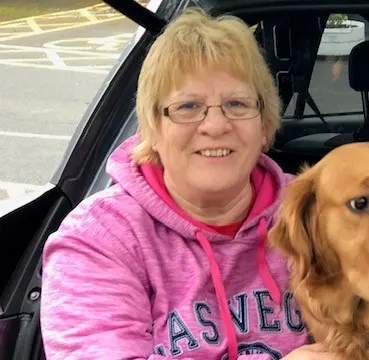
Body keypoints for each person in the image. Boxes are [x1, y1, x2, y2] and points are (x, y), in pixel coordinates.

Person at [40, 8, 343, 360]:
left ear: (264, 126)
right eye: (187, 106)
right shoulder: (99, 237)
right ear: (153, 130)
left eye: (236, 103)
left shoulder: (321, 211)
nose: (215, 125)